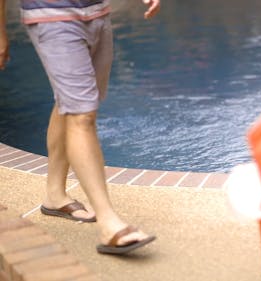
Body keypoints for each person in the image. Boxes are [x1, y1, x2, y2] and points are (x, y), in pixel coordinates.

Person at [0, 0, 161, 255]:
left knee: (72, 103)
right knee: (82, 115)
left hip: (96, 13)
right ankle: (110, 224)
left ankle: (54, 195)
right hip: (52, 16)